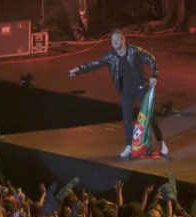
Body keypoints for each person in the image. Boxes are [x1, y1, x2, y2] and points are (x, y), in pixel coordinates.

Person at [68, 29, 167, 158]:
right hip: (126, 91)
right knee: (126, 119)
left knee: (149, 116)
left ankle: (162, 142)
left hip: (141, 87)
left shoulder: (134, 51)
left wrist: (154, 75)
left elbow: (151, 59)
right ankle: (129, 146)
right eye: (112, 40)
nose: (114, 43)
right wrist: (78, 69)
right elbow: (95, 64)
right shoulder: (110, 56)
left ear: (123, 40)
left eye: (116, 40)